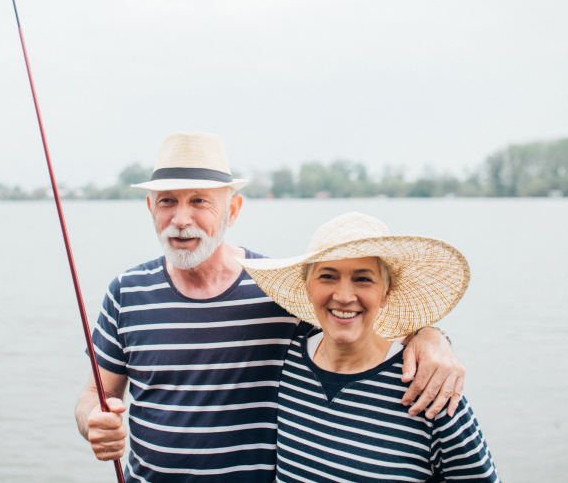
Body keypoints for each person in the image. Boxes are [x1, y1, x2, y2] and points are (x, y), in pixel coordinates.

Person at [74, 132, 467, 482]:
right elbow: (96, 393)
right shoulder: (125, 292)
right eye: (167, 202)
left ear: (233, 209)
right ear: (149, 208)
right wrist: (92, 419)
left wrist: (432, 337)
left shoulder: (276, 292)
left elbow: (359, 321)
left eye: (199, 201)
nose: (180, 219)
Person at [237, 211, 498, 482]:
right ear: (307, 287)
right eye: (327, 276)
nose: (344, 296)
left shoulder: (429, 386)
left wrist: (432, 335)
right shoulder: (287, 360)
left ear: (386, 293)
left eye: (363, 279)